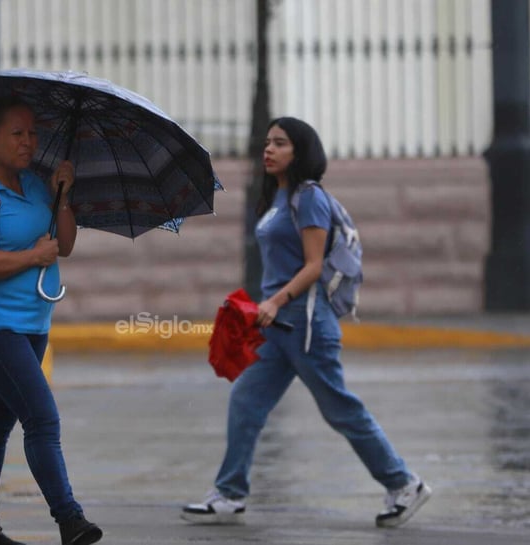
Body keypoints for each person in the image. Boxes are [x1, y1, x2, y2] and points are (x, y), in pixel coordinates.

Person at [181, 117, 431, 528]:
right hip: (278, 325)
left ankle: (404, 483)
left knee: (340, 409)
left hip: (305, 321)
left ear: (301, 151)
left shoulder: (308, 196)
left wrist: (276, 301)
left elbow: (315, 266)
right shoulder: (278, 197)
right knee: (246, 401)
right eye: (267, 143)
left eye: (280, 143)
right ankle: (229, 494)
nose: (269, 149)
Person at [0, 96, 102, 545]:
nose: (29, 141)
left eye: (32, 133)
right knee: (42, 419)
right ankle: (70, 519)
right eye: (17, 133)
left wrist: (64, 195)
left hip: (32, 325)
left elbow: (66, 244)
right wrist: (33, 255)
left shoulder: (36, 185)